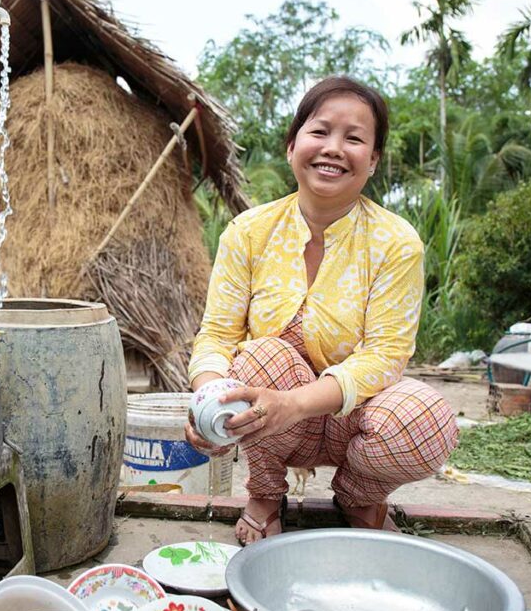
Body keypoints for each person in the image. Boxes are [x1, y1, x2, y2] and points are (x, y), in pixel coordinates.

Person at [186, 76, 458, 544]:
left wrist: (294, 404)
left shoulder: (396, 242)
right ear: (292, 146)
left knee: (425, 419)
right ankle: (267, 495)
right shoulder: (248, 232)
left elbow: (386, 355)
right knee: (259, 359)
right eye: (320, 131)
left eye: (354, 138)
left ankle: (357, 496)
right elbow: (215, 336)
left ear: (372, 161)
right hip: (268, 422)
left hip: (355, 417)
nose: (334, 148)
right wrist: (207, 400)